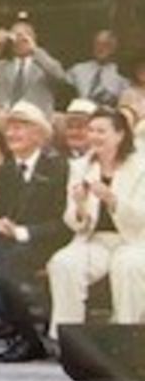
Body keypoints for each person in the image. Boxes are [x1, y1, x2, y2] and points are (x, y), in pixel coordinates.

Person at [0, 102, 71, 363]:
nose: (12, 135)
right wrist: (3, 228)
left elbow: (64, 223)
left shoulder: (59, 168)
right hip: (6, 246)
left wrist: (21, 232)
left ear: (39, 134)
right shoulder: (4, 172)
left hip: (45, 243)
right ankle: (22, 328)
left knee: (7, 263)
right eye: (10, 129)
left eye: (20, 128)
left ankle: (0, 313)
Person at [47, 107, 145, 331]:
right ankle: (67, 336)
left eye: (101, 131)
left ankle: (128, 335)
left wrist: (112, 200)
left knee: (128, 265)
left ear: (119, 135)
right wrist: (80, 205)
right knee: (64, 263)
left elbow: (142, 217)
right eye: (91, 130)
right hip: (96, 240)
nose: (94, 136)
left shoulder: (140, 167)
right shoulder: (80, 166)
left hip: (136, 240)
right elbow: (72, 221)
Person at [0, 20, 71, 113]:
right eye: (15, 36)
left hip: (35, 120)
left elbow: (60, 76)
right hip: (3, 118)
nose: (19, 42)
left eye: (24, 37)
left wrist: (34, 49)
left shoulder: (44, 66)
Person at [68, 30, 125, 108]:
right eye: (97, 44)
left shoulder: (120, 75)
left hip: (104, 115)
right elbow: (61, 85)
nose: (100, 48)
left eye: (106, 45)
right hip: (76, 111)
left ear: (113, 48)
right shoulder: (78, 69)